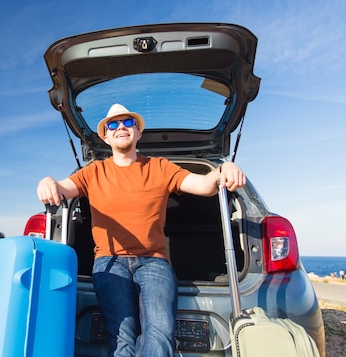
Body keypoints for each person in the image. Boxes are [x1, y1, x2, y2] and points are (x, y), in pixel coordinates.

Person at [37, 103, 247, 357]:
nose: (121, 128)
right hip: (109, 262)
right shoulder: (92, 172)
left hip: (154, 262)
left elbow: (204, 185)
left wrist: (223, 170)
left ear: (138, 133)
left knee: (159, 335)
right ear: (106, 136)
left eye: (128, 123)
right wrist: (47, 181)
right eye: (113, 124)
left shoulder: (160, 167)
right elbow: (61, 189)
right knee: (121, 335)